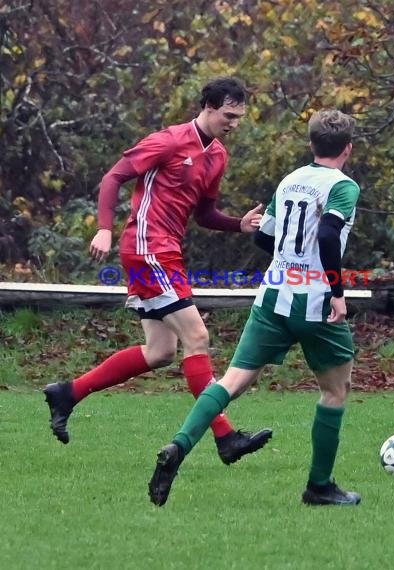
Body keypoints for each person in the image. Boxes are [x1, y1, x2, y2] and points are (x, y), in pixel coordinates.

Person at [44, 77, 272, 465]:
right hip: (147, 248)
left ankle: (68, 392)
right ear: (209, 107)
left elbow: (203, 215)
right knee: (197, 336)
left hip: (166, 252)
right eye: (229, 115)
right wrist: (103, 227)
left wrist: (238, 224)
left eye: (239, 117)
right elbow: (113, 176)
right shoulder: (168, 140)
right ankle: (225, 436)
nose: (233, 123)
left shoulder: (217, 155)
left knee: (161, 351)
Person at [148, 109, 362, 507]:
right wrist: (336, 290)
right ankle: (319, 487)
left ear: (312, 144)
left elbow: (265, 237)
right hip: (314, 301)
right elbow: (330, 232)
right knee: (335, 390)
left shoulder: (291, 181)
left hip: (272, 296)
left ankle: (178, 447)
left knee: (231, 382)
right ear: (347, 148)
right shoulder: (343, 187)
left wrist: (289, 256)